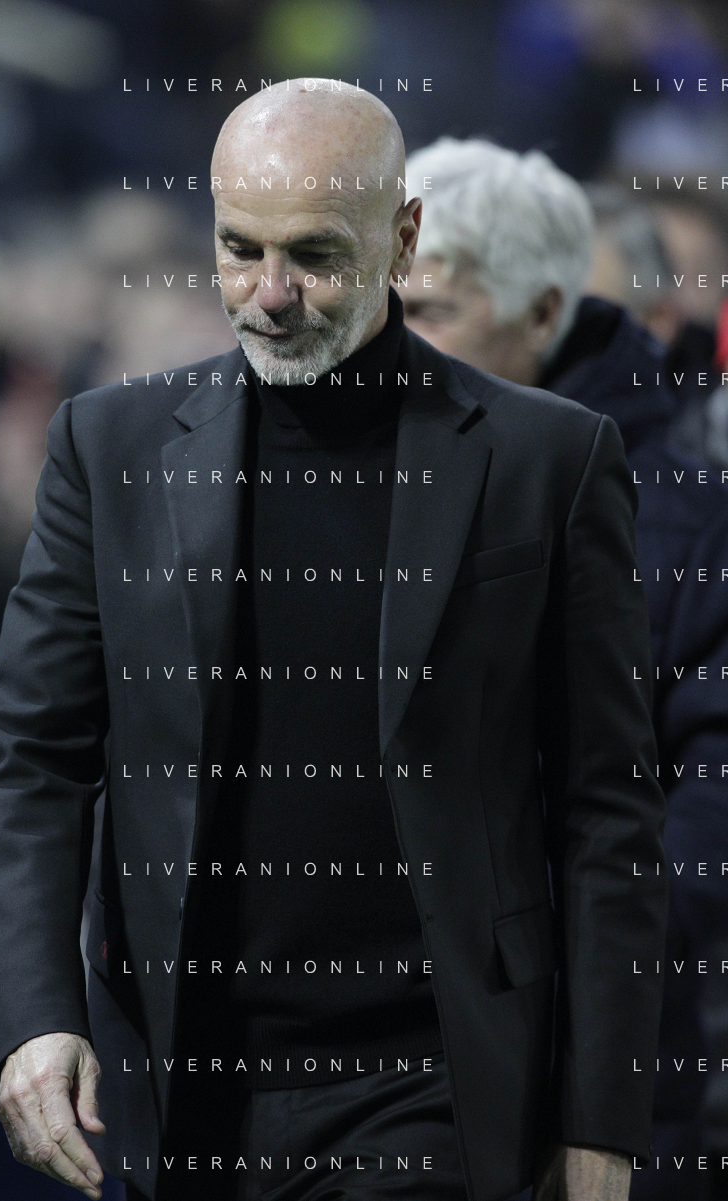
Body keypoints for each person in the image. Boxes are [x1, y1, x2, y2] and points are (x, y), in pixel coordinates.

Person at [0, 86, 666, 1201]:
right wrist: (35, 1014)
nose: (270, 293)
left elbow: (606, 808)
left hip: (431, 1084)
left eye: (314, 256)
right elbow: (32, 755)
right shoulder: (108, 447)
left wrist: (601, 1118)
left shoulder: (550, 459)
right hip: (179, 1081)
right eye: (239, 249)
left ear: (403, 237)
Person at [401, 135, 728, 1201]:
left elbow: (697, 839)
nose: (394, 346)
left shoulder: (685, 526)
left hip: (597, 1085)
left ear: (543, 312)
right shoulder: (350, 483)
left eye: (429, 312)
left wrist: (527, 969)